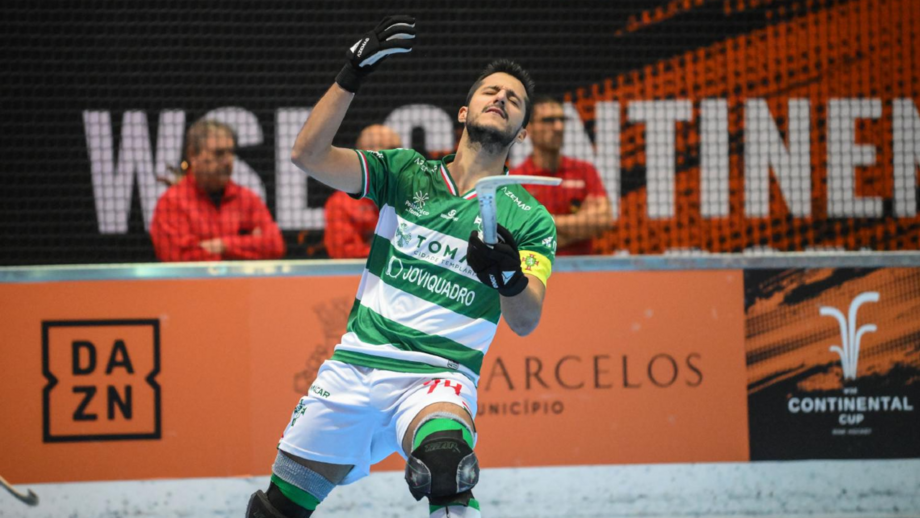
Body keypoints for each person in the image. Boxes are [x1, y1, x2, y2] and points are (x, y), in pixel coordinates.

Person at [247, 16, 556, 518]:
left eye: (513, 99)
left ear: (519, 132)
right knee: (274, 511)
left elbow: (525, 320)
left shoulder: (529, 218)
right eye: (490, 91)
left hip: (438, 377)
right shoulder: (405, 174)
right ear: (464, 111)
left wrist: (509, 277)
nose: (500, 98)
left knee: (446, 469)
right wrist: (352, 73)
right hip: (354, 367)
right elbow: (307, 155)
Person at [150, 120, 285, 261]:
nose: (228, 161)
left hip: (242, 284)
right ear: (193, 155)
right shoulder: (171, 203)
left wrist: (224, 246)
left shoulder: (247, 199)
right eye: (219, 153)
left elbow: (275, 246)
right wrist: (247, 244)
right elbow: (178, 256)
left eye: (230, 152)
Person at [510, 96, 613, 255]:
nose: (558, 127)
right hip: (534, 270)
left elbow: (604, 219)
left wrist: (542, 223)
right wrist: (580, 225)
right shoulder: (516, 179)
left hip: (582, 272)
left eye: (561, 119)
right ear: (529, 129)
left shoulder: (585, 171)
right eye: (549, 120)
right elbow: (517, 233)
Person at [323, 124, 402, 258]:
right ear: (363, 155)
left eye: (395, 149)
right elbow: (342, 252)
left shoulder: (415, 196)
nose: (394, 156)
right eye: (387, 149)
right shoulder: (340, 203)